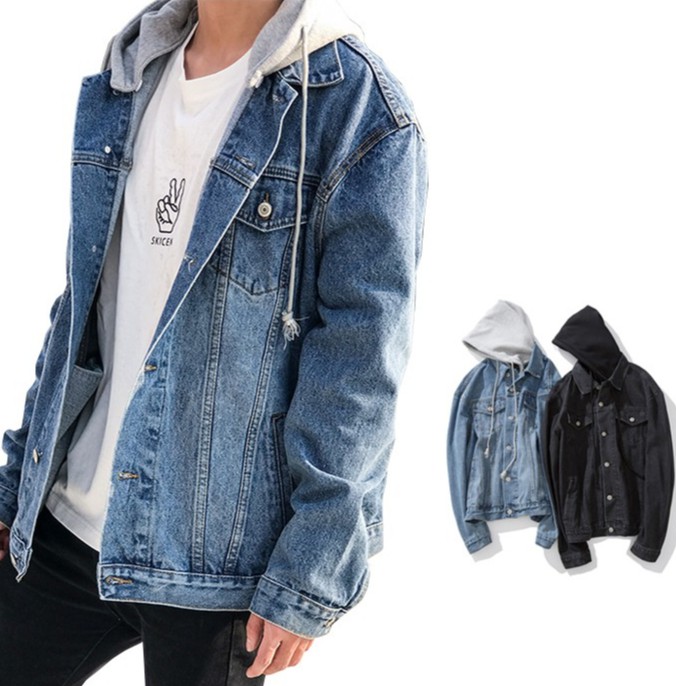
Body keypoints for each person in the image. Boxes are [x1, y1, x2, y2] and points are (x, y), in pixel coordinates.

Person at [0, 0, 427, 683]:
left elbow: (359, 365)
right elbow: (83, 303)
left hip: (218, 566)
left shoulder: (358, 110)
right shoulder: (134, 67)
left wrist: (312, 568)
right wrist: (16, 482)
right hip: (65, 521)